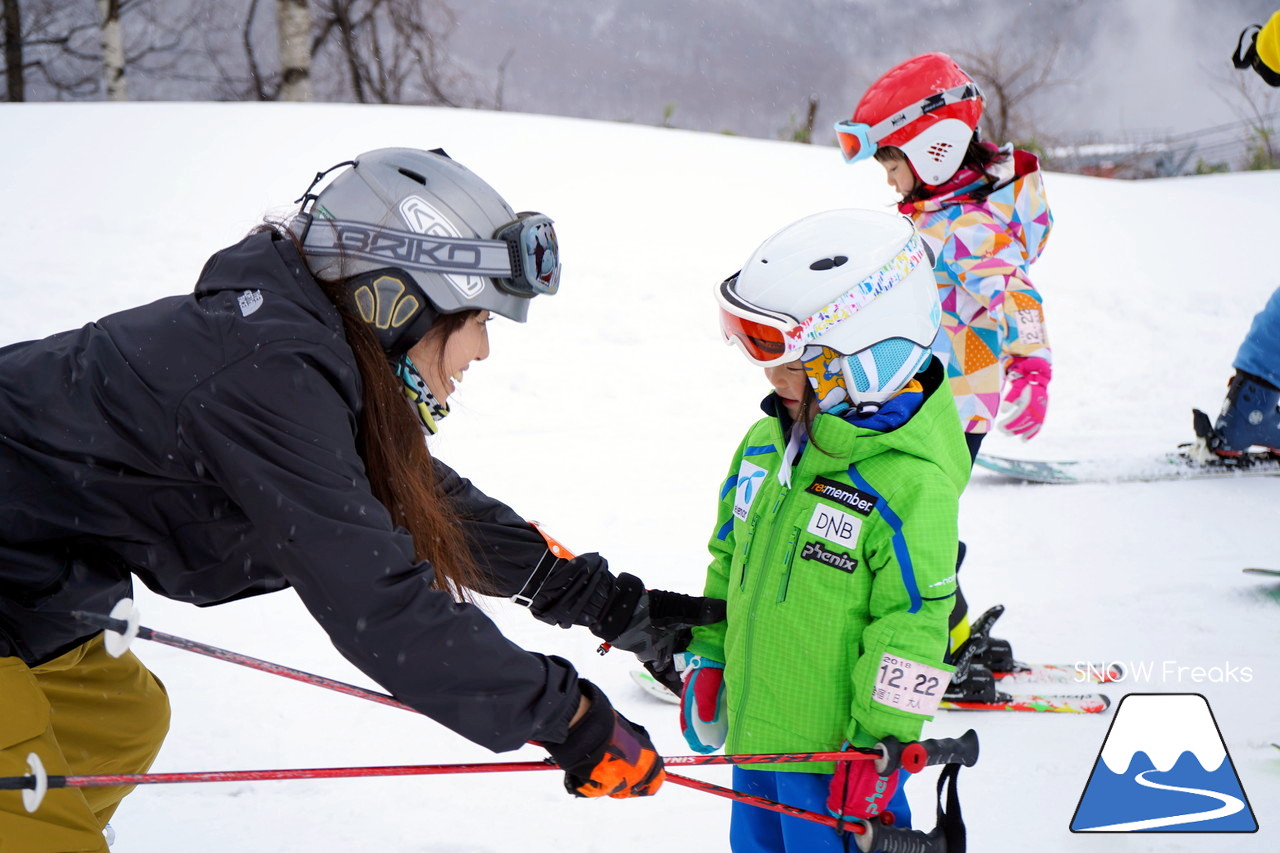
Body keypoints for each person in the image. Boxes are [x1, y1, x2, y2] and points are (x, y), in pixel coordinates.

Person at [0, 147, 723, 852]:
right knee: (38, 825)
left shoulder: (305, 355)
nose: (483, 351)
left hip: (28, 575)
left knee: (117, 718)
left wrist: (602, 603)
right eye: (478, 319)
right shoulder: (267, 372)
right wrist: (570, 714)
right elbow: (381, 604)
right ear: (395, 299)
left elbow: (425, 502)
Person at [678, 209, 969, 852]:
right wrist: (708, 651)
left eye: (794, 366)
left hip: (838, 768)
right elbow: (728, 558)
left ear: (871, 358)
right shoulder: (763, 446)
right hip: (757, 748)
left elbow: (914, 629)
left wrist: (879, 744)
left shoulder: (910, 488)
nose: (771, 380)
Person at [834, 53, 1054, 697]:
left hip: (952, 406)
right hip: (933, 395)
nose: (890, 180)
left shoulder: (968, 225)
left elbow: (1018, 297)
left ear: (933, 150)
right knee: (905, 515)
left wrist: (1033, 368)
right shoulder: (939, 214)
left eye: (893, 163)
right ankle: (949, 632)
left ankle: (943, 644)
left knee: (907, 521)